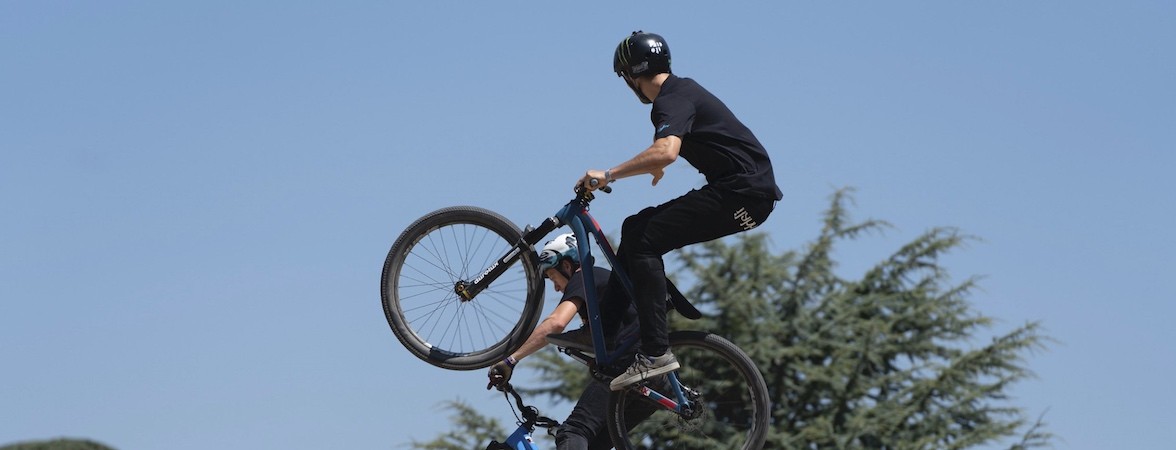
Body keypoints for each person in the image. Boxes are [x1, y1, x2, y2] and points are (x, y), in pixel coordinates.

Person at [578, 31, 783, 391]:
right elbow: (676, 148)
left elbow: (667, 150)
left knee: (643, 239)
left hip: (740, 194)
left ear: (631, 75)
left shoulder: (670, 99)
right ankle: (606, 333)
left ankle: (655, 352)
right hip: (748, 196)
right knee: (637, 227)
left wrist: (607, 174)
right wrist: (655, 165)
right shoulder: (683, 92)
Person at [486, 234, 651, 450]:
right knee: (590, 444)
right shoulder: (601, 283)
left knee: (573, 431)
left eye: (553, 277)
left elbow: (556, 323)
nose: (556, 288)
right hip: (655, 374)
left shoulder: (583, 277)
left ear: (566, 265)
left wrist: (510, 360)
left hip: (629, 365)